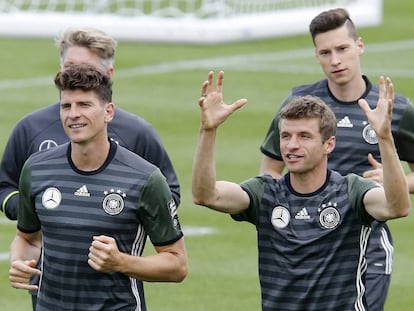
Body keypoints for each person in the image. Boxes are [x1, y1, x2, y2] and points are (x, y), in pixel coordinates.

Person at [192, 70, 410, 311]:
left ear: (329, 144)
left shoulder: (351, 191)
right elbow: (206, 195)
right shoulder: (265, 192)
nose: (291, 145)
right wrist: (208, 131)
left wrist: (385, 137)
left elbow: (397, 206)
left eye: (304, 136)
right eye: (286, 136)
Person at [0, 28, 180, 309]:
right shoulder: (36, 168)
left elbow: (177, 265)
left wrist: (121, 261)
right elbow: (26, 238)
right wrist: (20, 259)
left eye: (84, 105)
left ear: (108, 111)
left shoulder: (145, 177)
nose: (73, 115)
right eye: (66, 106)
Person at [259, 8, 414, 310]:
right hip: (307, 242)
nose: (335, 60)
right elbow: (270, 170)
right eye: (325, 52)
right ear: (316, 56)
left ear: (359, 46)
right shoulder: (299, 105)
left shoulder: (394, 109)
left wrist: (396, 181)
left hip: (367, 244)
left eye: (342, 49)